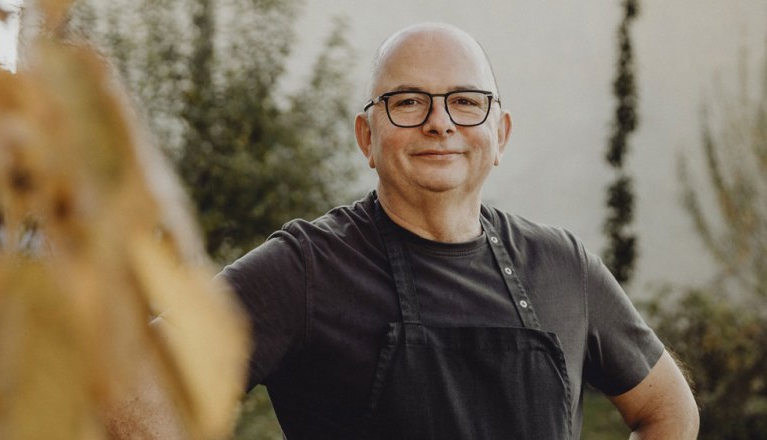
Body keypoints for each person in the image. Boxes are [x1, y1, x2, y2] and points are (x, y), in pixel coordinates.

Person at [216, 22, 699, 439]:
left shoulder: (562, 266)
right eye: (408, 101)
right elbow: (146, 386)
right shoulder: (306, 269)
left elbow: (668, 411)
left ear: (500, 135)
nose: (440, 123)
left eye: (466, 101)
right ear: (367, 137)